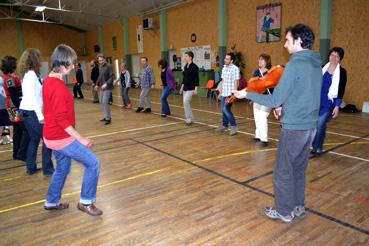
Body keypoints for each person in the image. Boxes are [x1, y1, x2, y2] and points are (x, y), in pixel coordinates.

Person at [235, 24, 322, 223]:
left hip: (294, 128)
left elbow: (273, 100)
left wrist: (246, 93)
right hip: (310, 127)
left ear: (299, 41)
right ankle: (298, 206)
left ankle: (284, 211)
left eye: (288, 40)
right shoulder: (316, 63)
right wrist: (285, 106)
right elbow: (304, 93)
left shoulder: (295, 64)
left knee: (283, 172)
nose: (284, 44)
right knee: (299, 169)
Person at [43, 44, 102, 216]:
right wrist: (81, 139)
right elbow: (61, 119)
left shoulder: (49, 80)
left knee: (62, 168)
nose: (72, 67)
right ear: (62, 65)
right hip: (61, 138)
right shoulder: (59, 87)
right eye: (71, 64)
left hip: (52, 136)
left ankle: (52, 201)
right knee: (93, 163)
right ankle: (86, 201)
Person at [18, 48, 54, 176]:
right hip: (31, 112)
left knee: (34, 139)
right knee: (47, 139)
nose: (40, 59)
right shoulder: (30, 75)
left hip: (28, 111)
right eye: (38, 57)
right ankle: (48, 169)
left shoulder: (31, 74)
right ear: (34, 59)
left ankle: (31, 167)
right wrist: (40, 116)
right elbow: (32, 97)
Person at [311, 47, 347, 155]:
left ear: (340, 58)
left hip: (329, 103)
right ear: (329, 56)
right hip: (317, 100)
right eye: (332, 55)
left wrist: (337, 106)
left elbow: (341, 90)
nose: (334, 58)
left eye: (337, 56)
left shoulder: (342, 72)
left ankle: (316, 148)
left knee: (319, 124)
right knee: (318, 126)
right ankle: (318, 147)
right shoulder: (322, 68)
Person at [2, 56, 30, 162]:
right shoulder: (9, 78)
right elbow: (14, 94)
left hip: (12, 105)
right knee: (25, 129)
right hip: (13, 105)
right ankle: (22, 154)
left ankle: (17, 153)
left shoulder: (10, 77)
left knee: (18, 130)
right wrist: (20, 108)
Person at [252, 54, 273, 146]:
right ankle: (258, 135)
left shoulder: (271, 73)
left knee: (262, 116)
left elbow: (273, 87)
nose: (259, 61)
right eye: (259, 59)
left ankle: (264, 139)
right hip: (257, 98)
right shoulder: (256, 72)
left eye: (262, 60)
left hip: (267, 98)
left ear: (267, 62)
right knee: (257, 117)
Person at [216, 53, 239, 135]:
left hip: (230, 93)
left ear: (231, 60)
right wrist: (220, 92)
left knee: (226, 109)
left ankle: (234, 126)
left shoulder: (235, 69)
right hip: (224, 93)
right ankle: (224, 126)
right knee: (223, 110)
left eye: (227, 59)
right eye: (225, 58)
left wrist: (234, 93)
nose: (225, 60)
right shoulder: (224, 68)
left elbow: (236, 81)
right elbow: (222, 81)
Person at [180, 51, 199, 125]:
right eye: (185, 56)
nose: (185, 58)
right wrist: (182, 87)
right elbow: (184, 78)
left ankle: (189, 118)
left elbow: (196, 79)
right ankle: (190, 118)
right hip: (185, 87)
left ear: (190, 57)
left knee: (186, 101)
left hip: (191, 88)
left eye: (186, 56)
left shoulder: (195, 67)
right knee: (185, 103)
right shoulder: (185, 66)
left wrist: (196, 89)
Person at [95, 54, 114, 125]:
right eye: (99, 60)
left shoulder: (109, 66)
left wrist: (106, 83)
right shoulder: (100, 66)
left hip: (108, 87)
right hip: (102, 87)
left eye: (102, 60)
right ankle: (106, 116)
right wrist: (97, 84)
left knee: (104, 102)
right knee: (101, 101)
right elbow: (100, 76)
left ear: (104, 59)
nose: (101, 62)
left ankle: (108, 118)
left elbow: (112, 76)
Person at [0, 68, 13, 145]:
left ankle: (11, 138)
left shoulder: (8, 78)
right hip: (4, 105)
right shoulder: (4, 79)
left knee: (11, 122)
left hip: (9, 104)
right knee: (2, 124)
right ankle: (11, 138)